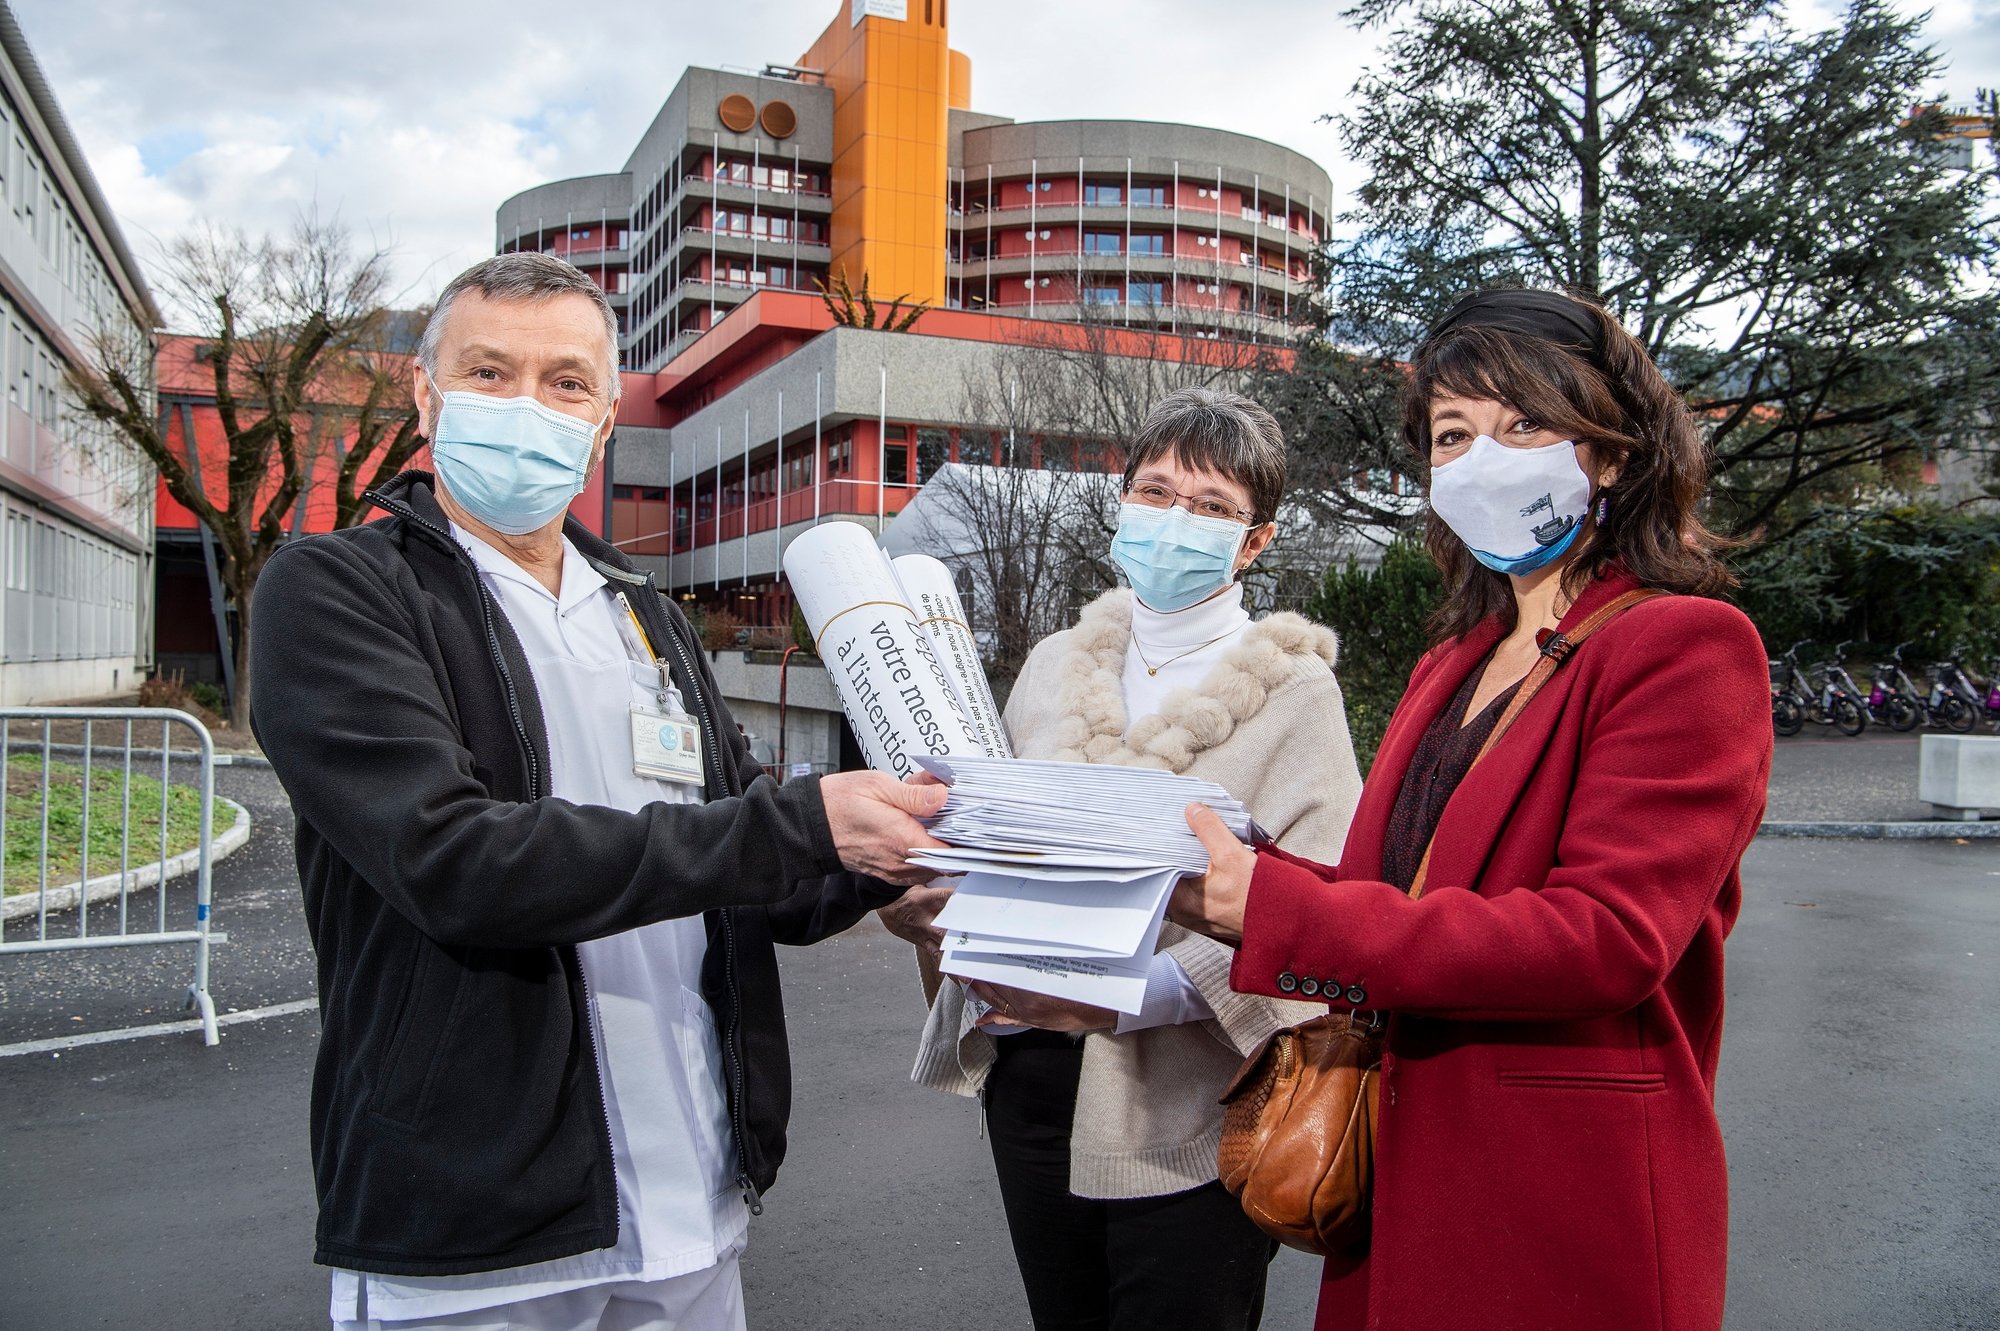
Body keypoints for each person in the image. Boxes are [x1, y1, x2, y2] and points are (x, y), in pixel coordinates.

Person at [251, 253, 948, 1331]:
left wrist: (874, 853)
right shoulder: (340, 589)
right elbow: (453, 862)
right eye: (489, 371)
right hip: (477, 1229)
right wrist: (799, 822)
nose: (528, 404)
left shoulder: (644, 614)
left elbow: (744, 875)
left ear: (603, 421)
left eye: (566, 382)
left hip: (689, 1196)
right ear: (426, 396)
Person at [1169, 289, 1772, 1331]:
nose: (1483, 458)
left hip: (1553, 1200)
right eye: (1452, 433)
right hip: (1396, 1176)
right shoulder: (1452, 659)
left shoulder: (1683, 643)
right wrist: (1224, 882)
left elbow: (1606, 936)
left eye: (1524, 423)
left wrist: (1277, 910)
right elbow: (1395, 900)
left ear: (1614, 452)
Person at [887, 388, 1364, 1331]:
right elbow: (996, 837)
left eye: (1212, 506)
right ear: (1121, 501)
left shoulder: (1296, 693)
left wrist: (1141, 992)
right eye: (1155, 490)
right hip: (1031, 1072)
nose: (1175, 518)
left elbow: (1321, 896)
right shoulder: (1056, 661)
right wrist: (938, 898)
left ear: (1255, 542)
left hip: (1191, 1100)